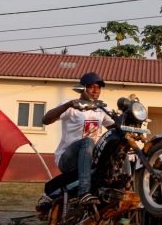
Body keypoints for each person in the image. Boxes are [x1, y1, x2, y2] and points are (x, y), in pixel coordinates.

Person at [42, 72, 115, 205]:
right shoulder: (71, 106)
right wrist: (68, 105)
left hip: (89, 158)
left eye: (98, 87)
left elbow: (114, 127)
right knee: (88, 141)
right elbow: (46, 120)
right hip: (67, 159)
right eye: (92, 87)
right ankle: (84, 192)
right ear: (83, 88)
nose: (96, 91)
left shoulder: (101, 109)